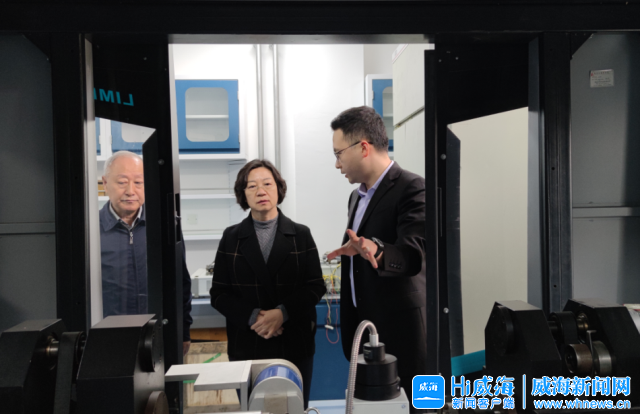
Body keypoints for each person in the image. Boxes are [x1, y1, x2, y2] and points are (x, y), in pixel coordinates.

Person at [327, 106, 427, 413]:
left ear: (363, 147)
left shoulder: (412, 187)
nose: (337, 164)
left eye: (339, 154)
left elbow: (413, 257)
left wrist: (377, 250)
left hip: (401, 335)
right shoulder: (356, 197)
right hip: (365, 334)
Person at [210, 159, 326, 409]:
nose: (260, 191)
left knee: (293, 409)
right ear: (243, 194)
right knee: (253, 409)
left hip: (294, 343)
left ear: (278, 188)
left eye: (267, 184)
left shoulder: (301, 234)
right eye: (252, 186)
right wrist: (254, 317)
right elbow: (218, 294)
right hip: (247, 344)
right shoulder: (231, 237)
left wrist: (282, 313)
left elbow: (315, 286)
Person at [99, 150, 193, 355]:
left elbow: (181, 282)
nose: (130, 191)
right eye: (122, 182)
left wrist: (183, 331)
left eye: (139, 183)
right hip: (107, 339)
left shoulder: (165, 226)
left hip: (157, 338)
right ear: (105, 183)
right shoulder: (91, 231)